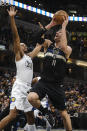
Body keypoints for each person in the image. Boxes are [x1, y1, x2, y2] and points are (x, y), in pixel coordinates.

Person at [0, 7, 58, 131]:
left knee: (30, 117)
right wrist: (12, 18)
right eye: (20, 45)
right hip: (19, 87)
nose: (22, 45)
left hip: (27, 89)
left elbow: (39, 44)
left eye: (23, 45)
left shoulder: (29, 57)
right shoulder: (19, 56)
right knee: (12, 115)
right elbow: (16, 37)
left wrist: (46, 28)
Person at [28, 16, 72, 131]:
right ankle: (46, 113)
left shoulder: (67, 49)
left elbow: (62, 46)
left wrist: (63, 26)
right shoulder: (48, 44)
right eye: (56, 32)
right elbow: (35, 37)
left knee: (64, 115)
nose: (57, 33)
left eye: (60, 33)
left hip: (56, 85)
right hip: (44, 82)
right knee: (31, 97)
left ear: (65, 36)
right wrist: (51, 24)